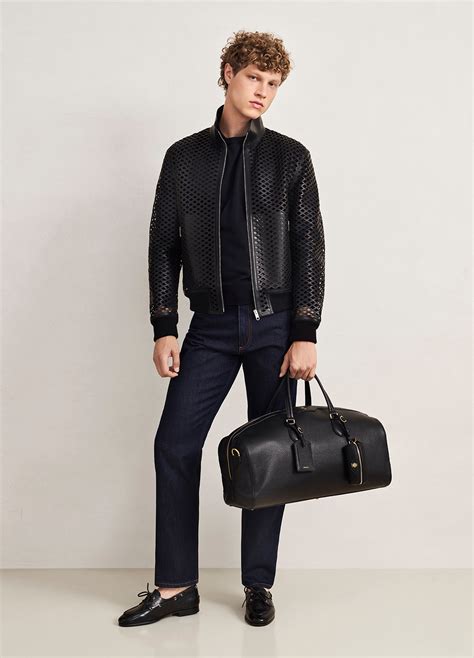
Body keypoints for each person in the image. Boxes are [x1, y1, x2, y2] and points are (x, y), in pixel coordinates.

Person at [118, 29, 325, 628]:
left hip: (275, 326)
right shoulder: (184, 158)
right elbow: (163, 245)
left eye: (273, 84)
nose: (263, 91)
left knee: (270, 454)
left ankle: (258, 583)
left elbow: (309, 247)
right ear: (229, 73)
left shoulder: (290, 157)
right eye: (255, 77)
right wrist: (163, 325)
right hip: (208, 326)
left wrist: (306, 329)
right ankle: (175, 587)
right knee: (174, 445)